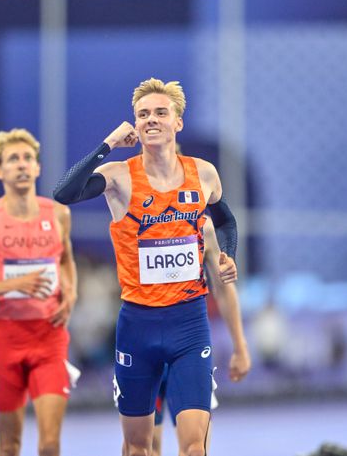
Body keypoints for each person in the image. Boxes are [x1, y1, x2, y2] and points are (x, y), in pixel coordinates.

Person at [54, 77, 240, 456]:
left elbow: (226, 220)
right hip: (137, 326)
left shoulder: (203, 173)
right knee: (139, 447)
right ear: (134, 126)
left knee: (193, 447)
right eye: (143, 115)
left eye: (160, 112)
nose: (151, 120)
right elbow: (64, 193)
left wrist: (228, 253)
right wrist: (107, 145)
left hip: (189, 325)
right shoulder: (120, 177)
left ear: (178, 122)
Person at [0, 128, 78, 456]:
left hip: (49, 337)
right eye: (13, 159)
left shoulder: (59, 214)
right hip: (4, 341)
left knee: (50, 445)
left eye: (28, 158)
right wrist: (13, 286)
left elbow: (66, 260)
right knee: (9, 446)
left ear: (38, 168)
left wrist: (71, 293)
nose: (22, 165)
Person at [149, 219, 251, 456]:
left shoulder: (203, 225)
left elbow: (224, 287)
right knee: (145, 449)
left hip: (188, 347)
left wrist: (240, 346)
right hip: (146, 346)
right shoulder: (133, 214)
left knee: (196, 449)